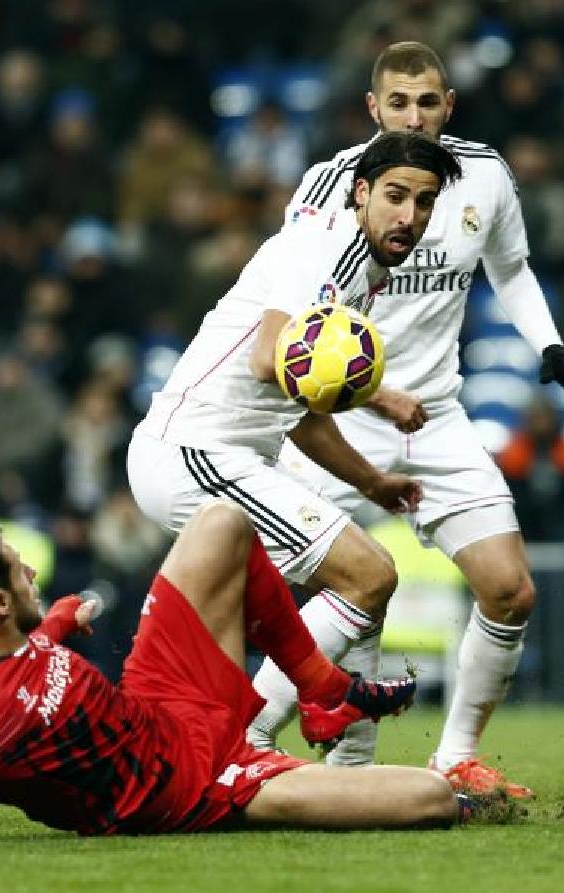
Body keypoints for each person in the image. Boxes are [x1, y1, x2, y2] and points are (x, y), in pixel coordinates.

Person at [247, 42, 564, 798]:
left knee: (510, 589)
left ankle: (454, 754)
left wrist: (552, 347)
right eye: (398, 104)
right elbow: (292, 299)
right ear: (373, 109)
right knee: (331, 594)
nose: (414, 116)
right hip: (336, 419)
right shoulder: (329, 184)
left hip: (436, 418)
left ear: (449, 105)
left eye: (427, 102)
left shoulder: (485, 177)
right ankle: (261, 740)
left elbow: (511, 269)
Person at [0, 501, 462, 849]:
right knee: (430, 797)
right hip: (193, 786)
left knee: (223, 521)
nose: (30, 566)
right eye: (17, 567)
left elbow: (26, 660)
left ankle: (319, 690)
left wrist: (52, 624)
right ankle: (281, 747)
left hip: (160, 696)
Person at [125, 131, 459, 766]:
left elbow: (299, 410)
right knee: (369, 573)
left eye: (423, 203)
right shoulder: (325, 247)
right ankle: (248, 739)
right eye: (395, 196)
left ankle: (351, 764)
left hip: (230, 454)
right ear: (361, 192)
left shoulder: (360, 275)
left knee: (363, 584)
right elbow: (264, 358)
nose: (408, 217)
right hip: (194, 449)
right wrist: (380, 393)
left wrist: (372, 483)